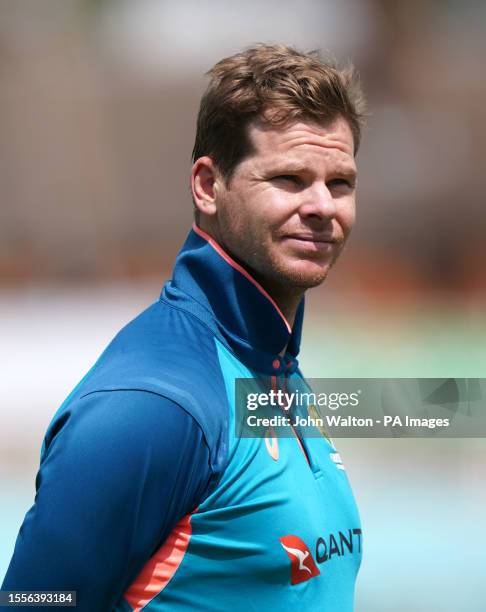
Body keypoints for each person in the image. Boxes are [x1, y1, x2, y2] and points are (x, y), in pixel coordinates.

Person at [2, 44, 366, 611]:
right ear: (206, 185)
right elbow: (34, 600)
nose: (322, 205)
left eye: (339, 182)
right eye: (290, 178)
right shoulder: (154, 404)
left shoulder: (271, 368)